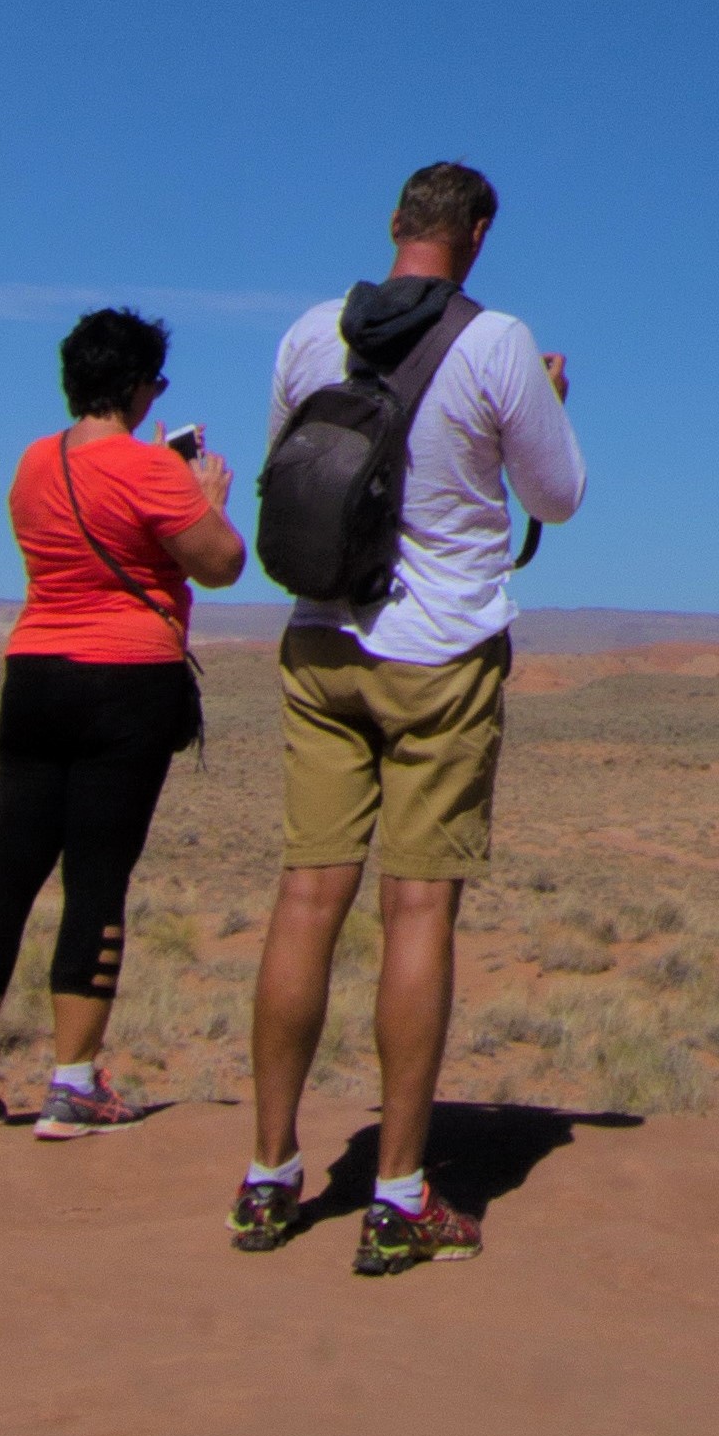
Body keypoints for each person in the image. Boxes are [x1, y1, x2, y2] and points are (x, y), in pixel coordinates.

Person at [236, 161, 585, 1271]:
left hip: (320, 641)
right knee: (418, 908)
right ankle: (397, 1197)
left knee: (306, 897)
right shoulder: (498, 345)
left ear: (394, 224)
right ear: (477, 234)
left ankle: (268, 1178)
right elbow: (559, 496)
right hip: (440, 657)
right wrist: (551, 400)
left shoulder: (309, 333)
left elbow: (281, 468)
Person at [0, 307, 246, 1140]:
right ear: (138, 385)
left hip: (34, 672)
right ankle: (73, 1083)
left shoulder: (35, 461)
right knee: (97, 878)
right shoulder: (152, 469)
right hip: (127, 680)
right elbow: (221, 563)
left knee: (7, 871)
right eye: (155, 383)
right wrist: (205, 499)